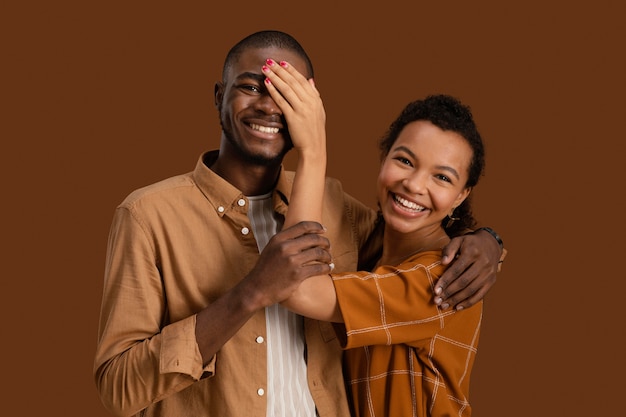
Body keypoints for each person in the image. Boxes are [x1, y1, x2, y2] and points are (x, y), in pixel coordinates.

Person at [93, 30, 505, 417]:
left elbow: (413, 236)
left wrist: (486, 241)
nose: (269, 106)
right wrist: (249, 293)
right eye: (252, 86)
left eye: (286, 93)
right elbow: (118, 388)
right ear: (219, 96)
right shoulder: (148, 216)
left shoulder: (335, 207)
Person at [264, 60, 494, 416]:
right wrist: (491, 239)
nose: (415, 185)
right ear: (383, 157)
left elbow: (296, 286)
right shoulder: (366, 246)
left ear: (462, 196)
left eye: (443, 178)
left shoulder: (442, 277)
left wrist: (313, 151)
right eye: (404, 160)